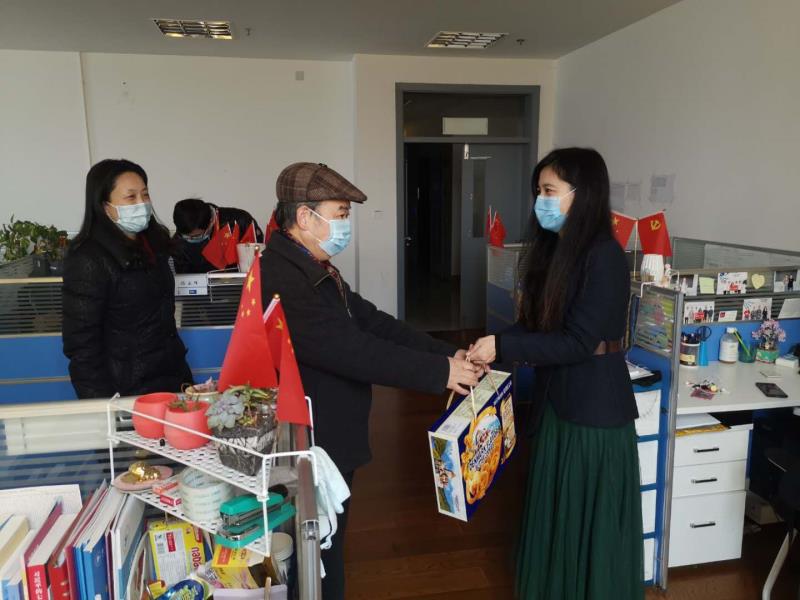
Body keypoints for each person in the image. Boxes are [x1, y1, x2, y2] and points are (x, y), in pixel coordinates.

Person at [260, 162, 480, 600]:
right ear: (304, 217)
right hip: (312, 435)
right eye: (340, 214)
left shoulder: (313, 265)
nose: (345, 225)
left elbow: (371, 322)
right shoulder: (285, 277)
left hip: (330, 428)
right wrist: (440, 372)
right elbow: (352, 350)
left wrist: (444, 353)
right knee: (319, 546)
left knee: (327, 538)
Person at [467, 148, 644, 600]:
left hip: (593, 410)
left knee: (587, 522)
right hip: (556, 403)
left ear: (583, 195)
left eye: (549, 191)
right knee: (556, 510)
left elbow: (577, 342)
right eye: (539, 191)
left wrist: (504, 346)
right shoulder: (556, 252)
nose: (540, 201)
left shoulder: (604, 256)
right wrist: (493, 346)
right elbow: (537, 327)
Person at [62, 159, 193, 398]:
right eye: (131, 197)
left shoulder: (154, 245)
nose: (142, 203)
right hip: (127, 391)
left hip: (172, 380)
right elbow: (82, 346)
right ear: (105, 206)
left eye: (145, 194)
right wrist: (105, 406)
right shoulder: (88, 259)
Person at [172, 198, 263, 272]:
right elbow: (184, 278)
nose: (190, 239)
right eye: (187, 236)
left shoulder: (240, 221)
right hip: (202, 286)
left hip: (240, 283)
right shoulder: (178, 242)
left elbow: (258, 258)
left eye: (196, 236)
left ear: (211, 222)